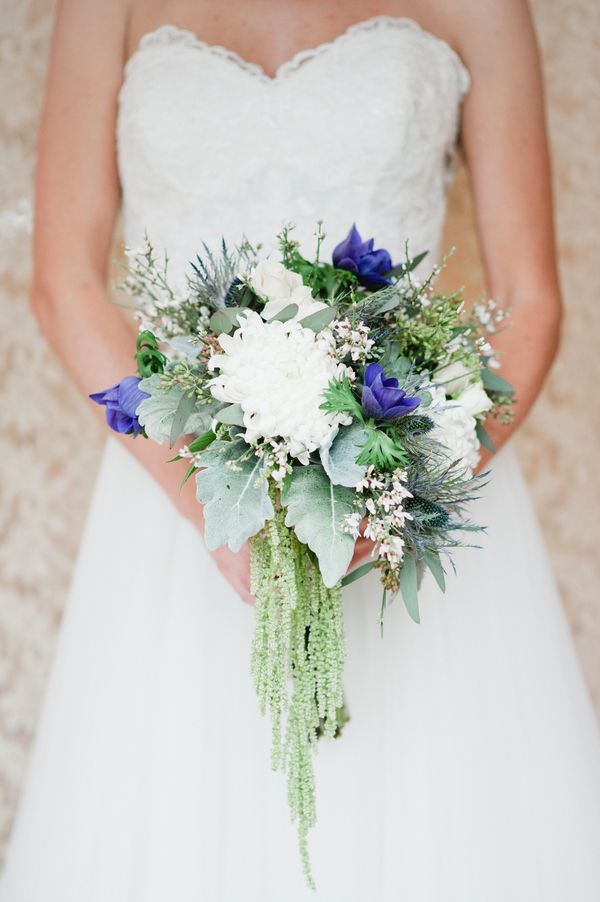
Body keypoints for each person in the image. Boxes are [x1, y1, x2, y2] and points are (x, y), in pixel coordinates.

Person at [2, 1, 600, 899]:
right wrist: (206, 496)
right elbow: (63, 285)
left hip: (405, 505)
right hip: (175, 508)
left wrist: (403, 490)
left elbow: (531, 301)